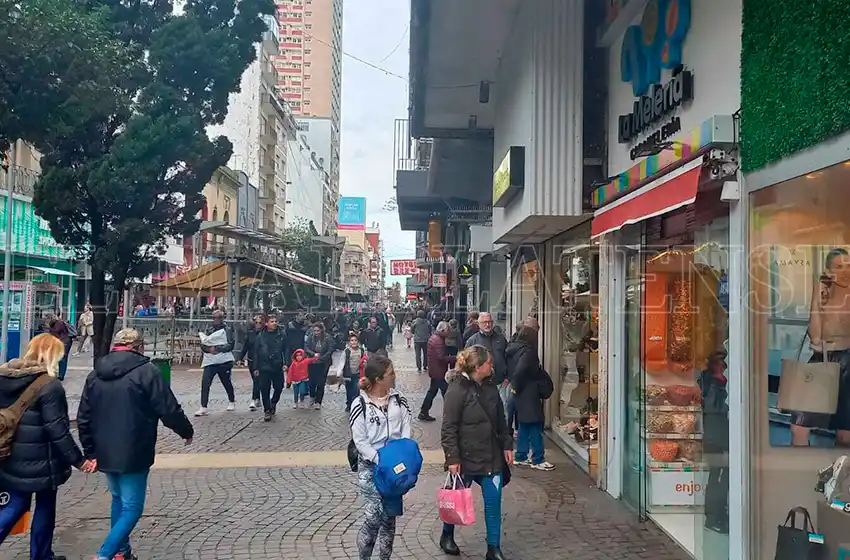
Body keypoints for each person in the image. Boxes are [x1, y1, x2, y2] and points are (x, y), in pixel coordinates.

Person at [77, 328, 194, 560]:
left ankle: (122, 552)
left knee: (119, 500)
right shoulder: (146, 371)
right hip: (134, 447)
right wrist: (185, 431)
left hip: (104, 449)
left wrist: (90, 451)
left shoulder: (95, 373)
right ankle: (104, 554)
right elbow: (167, 407)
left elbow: (84, 416)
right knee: (132, 506)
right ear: (139, 347)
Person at [0, 334, 94, 560]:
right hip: (43, 459)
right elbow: (57, 430)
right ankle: (41, 555)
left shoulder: (4, 377)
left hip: (10, 455)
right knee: (44, 508)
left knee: (15, 505)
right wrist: (79, 460)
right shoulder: (49, 386)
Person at [440, 345, 513, 560]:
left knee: (493, 502)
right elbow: (449, 427)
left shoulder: (491, 388)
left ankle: (493, 548)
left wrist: (507, 444)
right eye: (489, 363)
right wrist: (452, 458)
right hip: (465, 458)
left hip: (491, 456)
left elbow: (501, 419)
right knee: (457, 498)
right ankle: (447, 535)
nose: (493, 366)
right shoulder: (456, 390)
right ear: (478, 367)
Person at [349, 354, 412, 560]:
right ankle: (364, 556)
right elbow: (360, 441)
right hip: (371, 467)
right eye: (390, 373)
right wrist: (379, 460)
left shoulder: (399, 399)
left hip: (394, 468)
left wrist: (400, 458)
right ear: (378, 379)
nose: (394, 376)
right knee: (374, 516)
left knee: (389, 518)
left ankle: (385, 557)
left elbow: (406, 430)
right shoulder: (360, 404)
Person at [508, 326, 555, 471]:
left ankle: (521, 456)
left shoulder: (513, 348)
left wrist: (514, 388)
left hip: (519, 393)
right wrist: (517, 385)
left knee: (524, 425)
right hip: (528, 393)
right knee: (535, 425)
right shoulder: (529, 352)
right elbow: (521, 370)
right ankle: (538, 458)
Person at [699, 351, 729, 534]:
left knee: (722, 477)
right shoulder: (711, 384)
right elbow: (712, 407)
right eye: (722, 363)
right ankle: (713, 516)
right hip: (716, 436)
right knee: (718, 477)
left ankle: (719, 514)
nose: (725, 366)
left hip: (720, 434)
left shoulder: (718, 382)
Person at [465, 312, 509, 420]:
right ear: (479, 324)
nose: (487, 325)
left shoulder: (501, 339)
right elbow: (465, 363)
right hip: (482, 385)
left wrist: (508, 378)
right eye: (484, 322)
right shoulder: (472, 341)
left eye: (489, 322)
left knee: (504, 411)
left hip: (501, 383)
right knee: (485, 412)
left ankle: (504, 434)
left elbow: (509, 358)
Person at [195, 310, 236, 416]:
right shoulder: (209, 329)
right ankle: (203, 406)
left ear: (222, 318)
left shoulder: (227, 329)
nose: (215, 320)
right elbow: (203, 344)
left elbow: (230, 345)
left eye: (217, 318)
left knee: (226, 382)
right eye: (213, 318)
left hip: (223, 361)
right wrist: (209, 349)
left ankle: (231, 400)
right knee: (205, 383)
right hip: (210, 361)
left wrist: (217, 348)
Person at [251, 315, 288, 421]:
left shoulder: (281, 334)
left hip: (277, 365)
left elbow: (286, 349)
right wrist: (255, 367)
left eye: (276, 321)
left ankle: (274, 402)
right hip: (264, 366)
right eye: (272, 321)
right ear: (267, 323)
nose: (275, 323)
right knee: (264, 389)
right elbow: (256, 352)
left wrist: (286, 362)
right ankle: (267, 410)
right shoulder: (261, 336)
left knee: (279, 387)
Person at [420, 321, 456, 422]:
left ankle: (423, 412)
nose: (449, 333)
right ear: (443, 330)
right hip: (439, 372)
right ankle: (451, 416)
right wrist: (455, 358)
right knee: (447, 394)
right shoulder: (438, 340)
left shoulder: (435, 337)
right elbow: (441, 358)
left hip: (435, 370)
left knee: (432, 392)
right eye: (448, 331)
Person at [236, 313, 266, 411]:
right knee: (256, 380)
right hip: (251, 360)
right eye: (256, 322)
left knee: (257, 380)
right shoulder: (250, 333)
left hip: (262, 361)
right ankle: (258, 398)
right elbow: (245, 346)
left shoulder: (265, 333)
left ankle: (254, 399)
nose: (257, 324)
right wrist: (240, 358)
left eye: (260, 323)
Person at [305, 322, 335, 410]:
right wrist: (313, 354)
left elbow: (331, 348)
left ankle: (318, 401)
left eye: (318, 331)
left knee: (321, 383)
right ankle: (312, 396)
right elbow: (306, 347)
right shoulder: (310, 336)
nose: (316, 332)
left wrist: (322, 357)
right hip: (312, 362)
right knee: (311, 382)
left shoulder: (327, 337)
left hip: (323, 363)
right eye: (314, 331)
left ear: (321, 330)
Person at [342, 333, 367, 413]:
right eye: (352, 341)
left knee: (356, 390)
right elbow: (342, 362)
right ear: (349, 342)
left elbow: (364, 359)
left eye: (355, 340)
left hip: (357, 374)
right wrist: (339, 372)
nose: (354, 342)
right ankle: (349, 404)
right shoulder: (347, 351)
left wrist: (365, 364)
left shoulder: (361, 350)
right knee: (349, 390)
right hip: (348, 374)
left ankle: (355, 405)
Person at [47, 313, 73, 381]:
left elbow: (56, 332)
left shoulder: (59, 323)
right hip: (62, 342)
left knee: (63, 358)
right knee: (59, 358)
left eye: (47, 320)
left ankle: (61, 375)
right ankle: (58, 373)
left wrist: (48, 328)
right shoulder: (55, 323)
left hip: (65, 342)